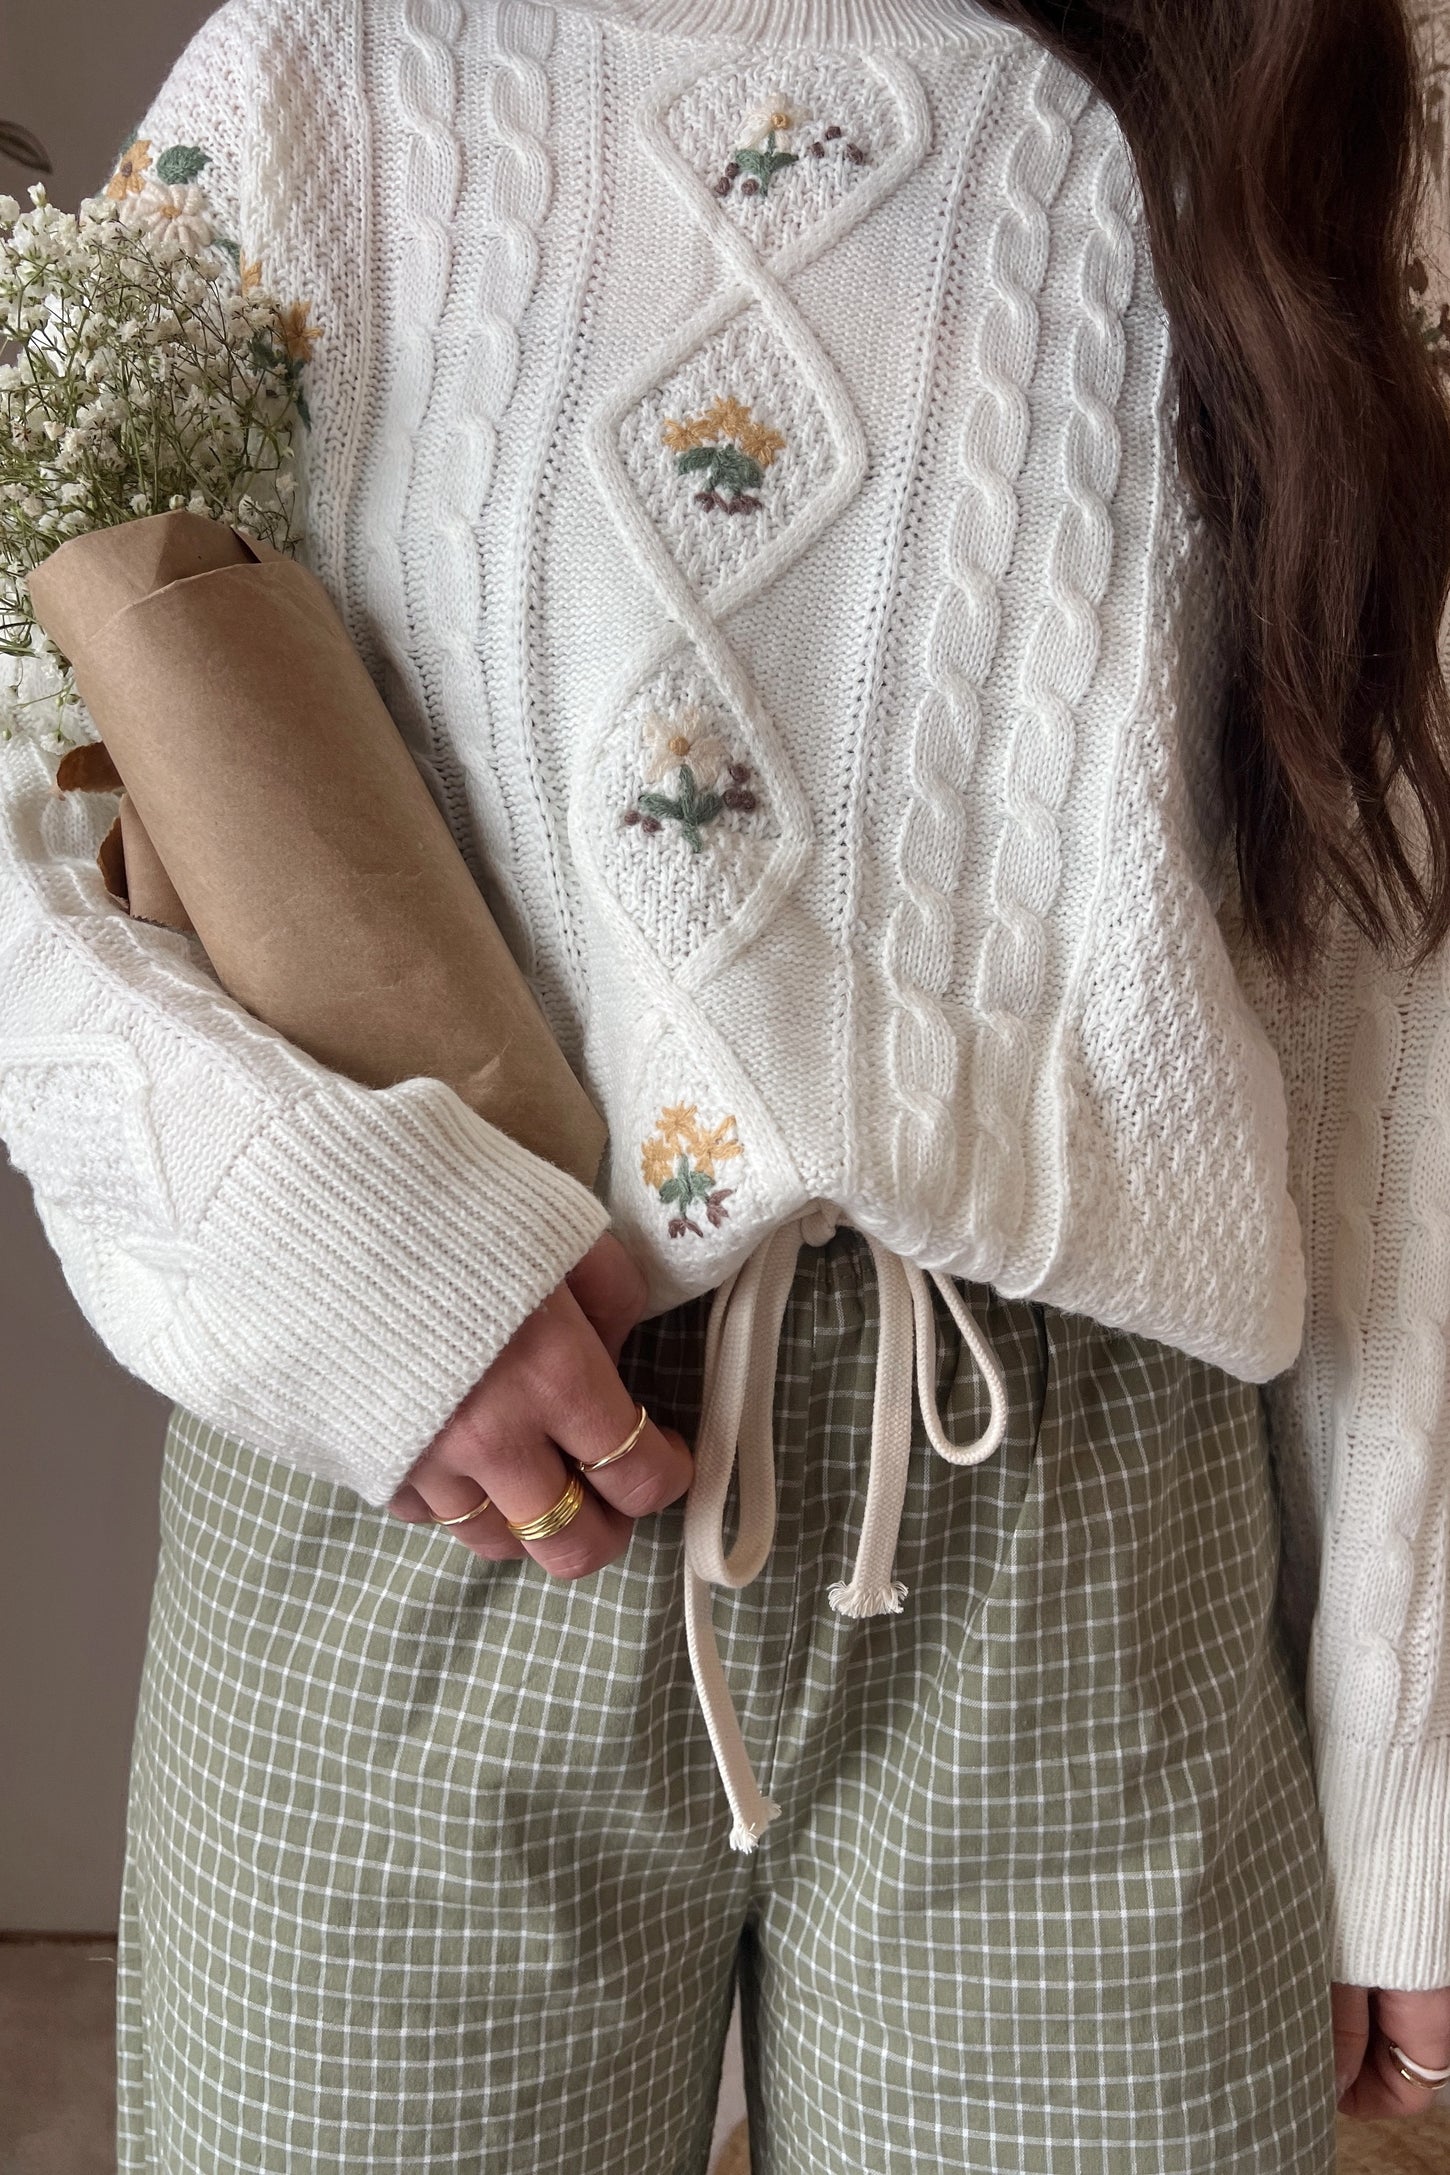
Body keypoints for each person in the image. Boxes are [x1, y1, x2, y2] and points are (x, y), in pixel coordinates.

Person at [4, 0, 1450, 2164]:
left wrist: (1408, 1759)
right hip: (427, 1498)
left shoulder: (1319, 91)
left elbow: (1396, 1006)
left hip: (1085, 1562)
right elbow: (32, 783)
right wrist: (325, 1245)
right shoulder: (326, 71)